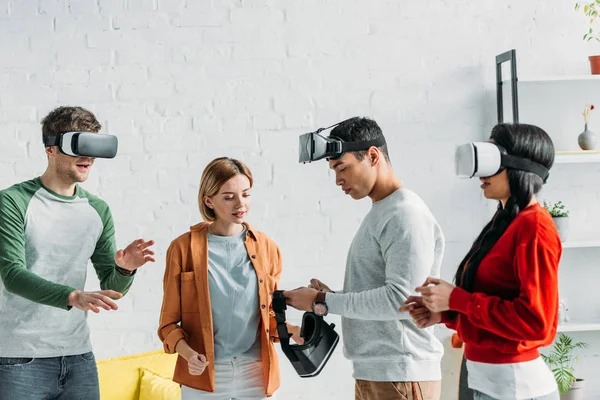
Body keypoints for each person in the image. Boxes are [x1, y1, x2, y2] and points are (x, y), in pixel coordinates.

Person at [0, 106, 155, 400]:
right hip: (20, 359)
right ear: (51, 149)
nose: (88, 157)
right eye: (79, 146)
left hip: (79, 358)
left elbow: (110, 289)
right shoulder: (13, 201)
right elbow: (12, 275)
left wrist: (126, 269)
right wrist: (72, 296)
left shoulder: (97, 210)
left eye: (93, 147)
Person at [283, 117, 444, 400]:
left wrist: (322, 302)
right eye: (333, 170)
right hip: (378, 374)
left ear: (372, 156)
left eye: (342, 168)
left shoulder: (405, 214)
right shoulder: (383, 212)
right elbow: (381, 293)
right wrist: (330, 298)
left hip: (401, 374)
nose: (337, 180)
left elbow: (400, 300)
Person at [402, 123, 562, 400]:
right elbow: (491, 303)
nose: (481, 175)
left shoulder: (534, 226)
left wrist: (458, 300)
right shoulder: (504, 223)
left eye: (493, 162)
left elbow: (537, 323)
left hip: (517, 389)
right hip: (485, 383)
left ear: (517, 167)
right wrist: (446, 313)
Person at [158, 157, 302, 400]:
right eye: (229, 197)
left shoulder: (267, 247)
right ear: (209, 200)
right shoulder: (182, 248)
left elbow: (267, 316)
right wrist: (188, 354)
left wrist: (294, 330)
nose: (240, 204)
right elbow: (168, 324)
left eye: (246, 194)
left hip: (256, 372)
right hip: (203, 374)